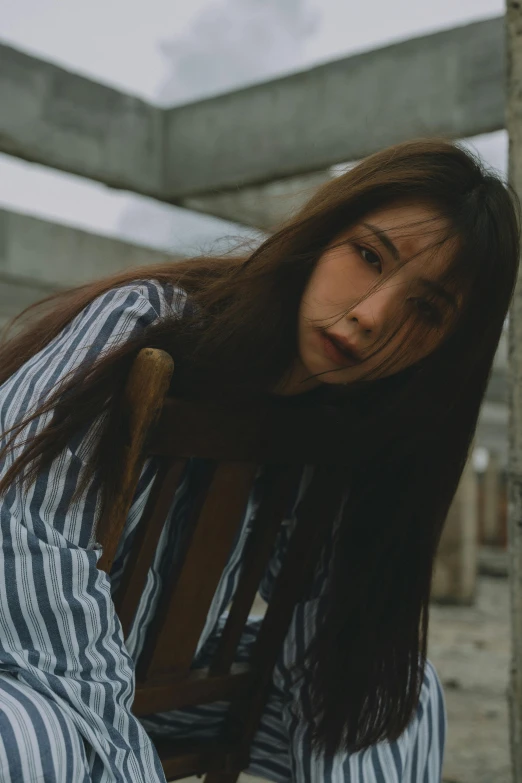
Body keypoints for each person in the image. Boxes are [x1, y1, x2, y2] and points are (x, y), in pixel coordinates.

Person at [0, 138, 517, 783]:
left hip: (158, 683)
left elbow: (322, 625)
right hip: (22, 667)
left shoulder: (347, 425)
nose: (369, 316)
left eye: (426, 309)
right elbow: (27, 537)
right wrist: (129, 760)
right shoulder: (144, 321)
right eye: (366, 255)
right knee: (37, 739)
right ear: (324, 232)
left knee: (391, 698)